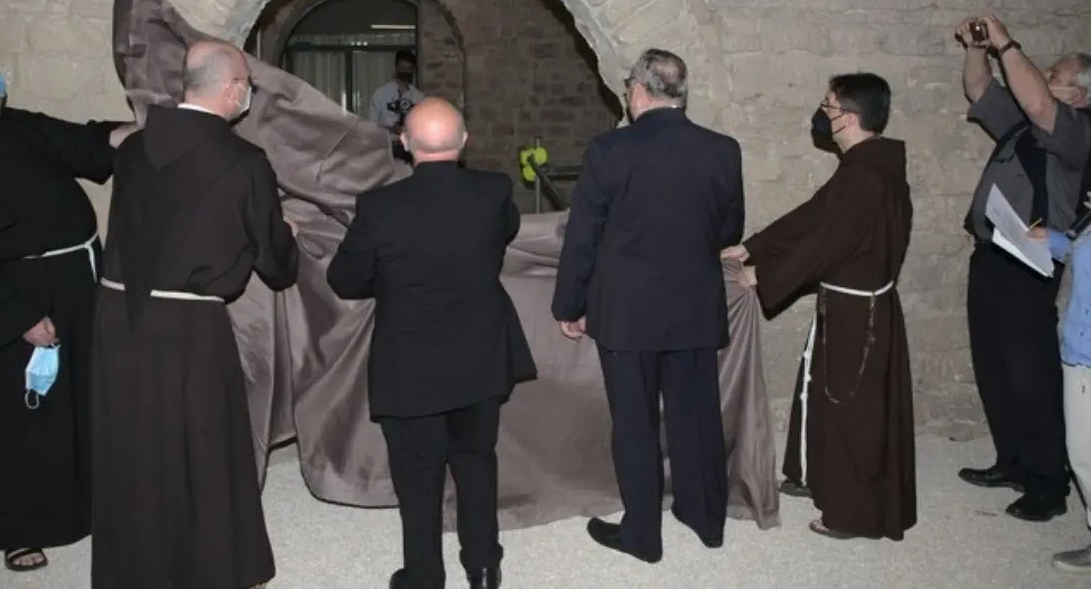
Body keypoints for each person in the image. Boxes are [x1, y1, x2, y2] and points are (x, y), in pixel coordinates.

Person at [0, 54, 137, 572]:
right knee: (25, 414)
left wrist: (141, 126)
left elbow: (84, 143)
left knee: (86, 397)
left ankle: (89, 503)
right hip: (26, 298)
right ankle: (19, 529)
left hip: (78, 281)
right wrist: (19, 320)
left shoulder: (16, 125)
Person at [90, 40, 299, 589]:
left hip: (118, 313)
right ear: (232, 88)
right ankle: (207, 568)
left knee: (135, 444)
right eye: (247, 84)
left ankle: (135, 569)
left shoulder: (133, 149)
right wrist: (279, 239)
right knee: (201, 445)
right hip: (187, 324)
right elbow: (278, 266)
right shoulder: (244, 161)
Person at [327, 97, 536, 589]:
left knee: (418, 477)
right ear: (464, 142)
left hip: (410, 366)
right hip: (481, 359)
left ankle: (424, 576)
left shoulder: (379, 207)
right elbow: (505, 232)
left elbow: (345, 279)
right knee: (476, 461)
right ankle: (483, 566)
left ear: (404, 144)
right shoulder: (494, 191)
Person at [551, 48, 744, 562]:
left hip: (627, 312)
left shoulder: (609, 150)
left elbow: (582, 238)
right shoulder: (723, 150)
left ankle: (644, 534)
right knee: (697, 416)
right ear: (680, 94)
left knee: (634, 422)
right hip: (695, 306)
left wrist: (568, 303)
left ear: (637, 90)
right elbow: (730, 230)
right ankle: (706, 520)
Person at [723, 73, 915, 540]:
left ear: (849, 117)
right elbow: (814, 216)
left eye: (828, 105)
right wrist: (752, 247)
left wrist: (763, 275)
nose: (821, 113)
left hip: (857, 315)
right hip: (852, 306)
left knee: (852, 409)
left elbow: (827, 243)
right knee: (827, 395)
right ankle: (818, 475)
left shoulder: (866, 176)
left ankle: (852, 515)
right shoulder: (866, 166)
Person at [955, 14, 1091, 522]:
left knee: (1030, 374)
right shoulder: (1021, 127)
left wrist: (1008, 41)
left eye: (1054, 74)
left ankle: (1048, 484)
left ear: (1076, 96)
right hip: (992, 255)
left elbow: (1037, 100)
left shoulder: (1077, 132)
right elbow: (978, 86)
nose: (1041, 78)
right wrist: (976, 45)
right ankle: (1012, 461)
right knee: (994, 366)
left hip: (1030, 264)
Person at [1030, 192, 1091, 574]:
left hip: (1087, 356)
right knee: (1082, 453)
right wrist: (1048, 239)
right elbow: (1078, 252)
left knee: (1084, 454)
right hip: (1077, 351)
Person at [367, 50, 426, 162]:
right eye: (402, 67)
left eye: (408, 68)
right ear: (396, 67)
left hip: (411, 150)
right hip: (386, 149)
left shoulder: (418, 97)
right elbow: (371, 125)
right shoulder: (381, 94)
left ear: (413, 70)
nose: (405, 71)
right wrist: (391, 128)